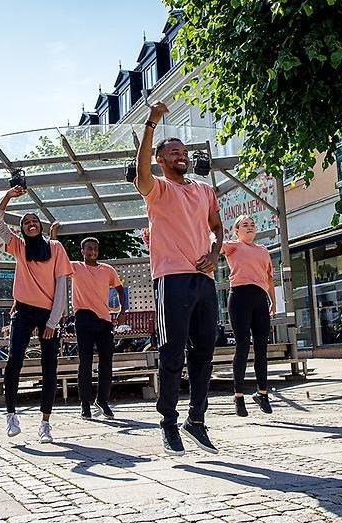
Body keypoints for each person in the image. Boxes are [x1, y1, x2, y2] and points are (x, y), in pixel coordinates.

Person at [134, 101, 224, 456]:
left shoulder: (204, 190)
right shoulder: (157, 189)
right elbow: (140, 172)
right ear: (161, 159)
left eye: (184, 152)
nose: (181, 156)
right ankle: (168, 422)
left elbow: (217, 228)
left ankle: (196, 421)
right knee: (172, 352)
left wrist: (216, 253)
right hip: (171, 279)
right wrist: (151, 125)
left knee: (204, 353)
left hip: (204, 280)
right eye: (173, 152)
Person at [0, 186, 73, 443]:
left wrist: (53, 320)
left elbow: (62, 284)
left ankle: (45, 423)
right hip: (24, 311)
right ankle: (11, 415)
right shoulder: (17, 247)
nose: (30, 225)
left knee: (49, 367)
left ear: (40, 225)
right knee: (14, 359)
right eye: (25, 222)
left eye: (34, 221)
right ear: (23, 229)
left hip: (49, 313)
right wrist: (7, 196)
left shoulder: (56, 247)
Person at [50, 223, 126, 420]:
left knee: (106, 362)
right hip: (84, 317)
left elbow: (119, 289)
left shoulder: (107, 269)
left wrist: (123, 310)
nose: (93, 251)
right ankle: (84, 403)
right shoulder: (75, 267)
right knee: (85, 361)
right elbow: (57, 257)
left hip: (105, 320)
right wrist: (53, 235)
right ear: (82, 251)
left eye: (95, 248)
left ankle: (102, 400)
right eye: (89, 248)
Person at [221, 215, 276, 417]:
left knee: (262, 346)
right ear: (237, 231)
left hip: (260, 297)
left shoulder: (263, 251)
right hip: (239, 297)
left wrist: (273, 300)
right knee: (243, 345)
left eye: (253, 224)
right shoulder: (233, 246)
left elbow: (269, 278)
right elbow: (213, 244)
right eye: (245, 225)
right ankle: (238, 396)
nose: (250, 227)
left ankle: (262, 393)